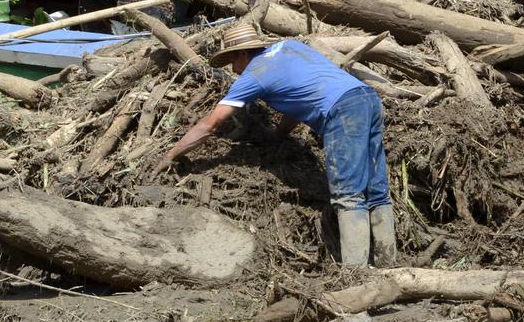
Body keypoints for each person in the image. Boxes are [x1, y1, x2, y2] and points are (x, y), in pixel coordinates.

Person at [157, 21, 396, 268]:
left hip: (342, 112)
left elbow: (210, 124)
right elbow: (299, 100)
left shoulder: (254, 75)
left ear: (242, 53)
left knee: (348, 195)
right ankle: (387, 266)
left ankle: (355, 274)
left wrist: (171, 154)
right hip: (366, 97)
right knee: (377, 191)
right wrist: (277, 135)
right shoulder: (290, 47)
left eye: (232, 61)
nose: (233, 69)